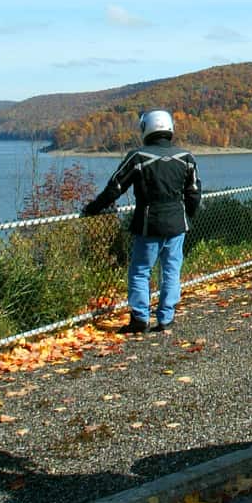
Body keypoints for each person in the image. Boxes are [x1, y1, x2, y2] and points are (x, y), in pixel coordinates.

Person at [82, 109, 201, 335]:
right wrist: (188, 216)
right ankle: (166, 318)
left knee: (140, 271)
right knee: (171, 270)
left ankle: (140, 318)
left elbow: (115, 188)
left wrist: (91, 209)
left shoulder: (138, 157)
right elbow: (194, 193)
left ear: (146, 128)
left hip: (149, 224)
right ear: (169, 128)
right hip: (177, 225)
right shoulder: (186, 158)